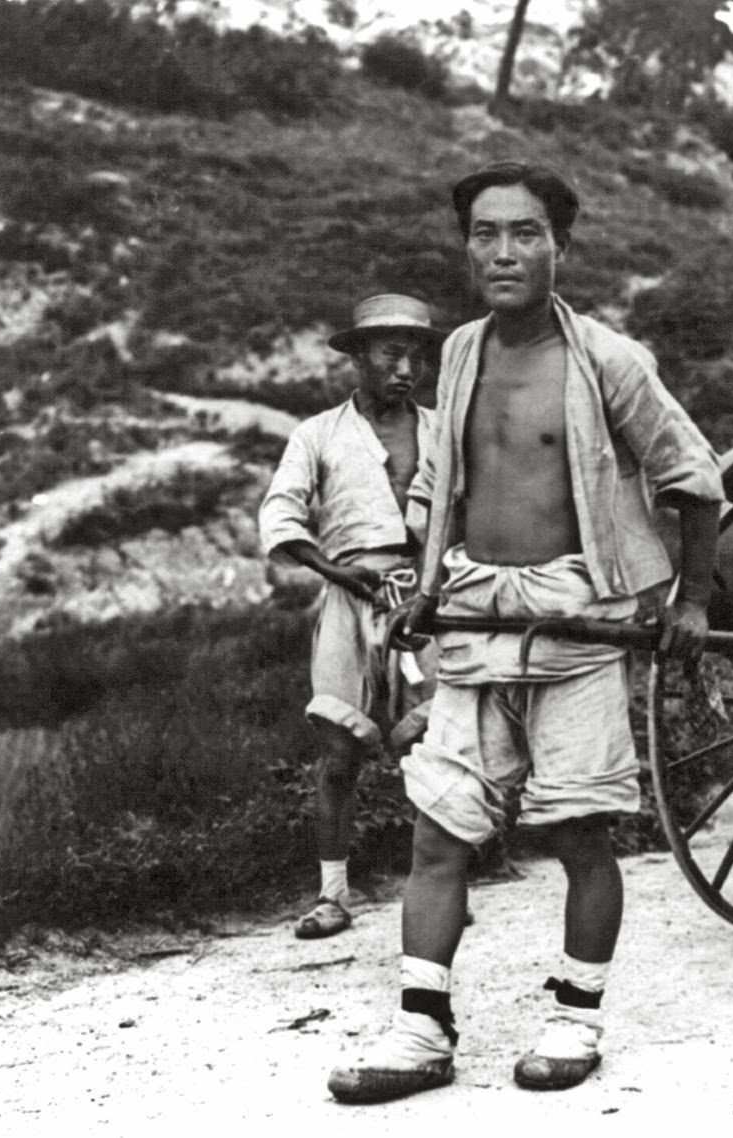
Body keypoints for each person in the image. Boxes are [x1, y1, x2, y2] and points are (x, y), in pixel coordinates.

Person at [326, 161, 723, 1103]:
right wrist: (423, 584)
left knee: (579, 834)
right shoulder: (459, 351)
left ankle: (575, 1018)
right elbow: (441, 489)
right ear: (467, 247)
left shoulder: (610, 361)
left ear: (561, 247)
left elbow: (694, 481)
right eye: (485, 234)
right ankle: (421, 1031)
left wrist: (694, 602)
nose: (503, 252)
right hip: (474, 616)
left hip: (579, 618)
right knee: (437, 832)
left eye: (526, 233)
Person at [258, 293, 443, 939]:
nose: (406, 367)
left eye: (416, 355)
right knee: (338, 754)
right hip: (348, 597)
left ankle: (439, 890)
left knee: (434, 746)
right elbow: (281, 514)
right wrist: (338, 571)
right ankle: (333, 895)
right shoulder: (318, 434)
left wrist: (437, 581)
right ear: (359, 356)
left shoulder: (440, 429)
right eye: (392, 352)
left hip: (426, 602)